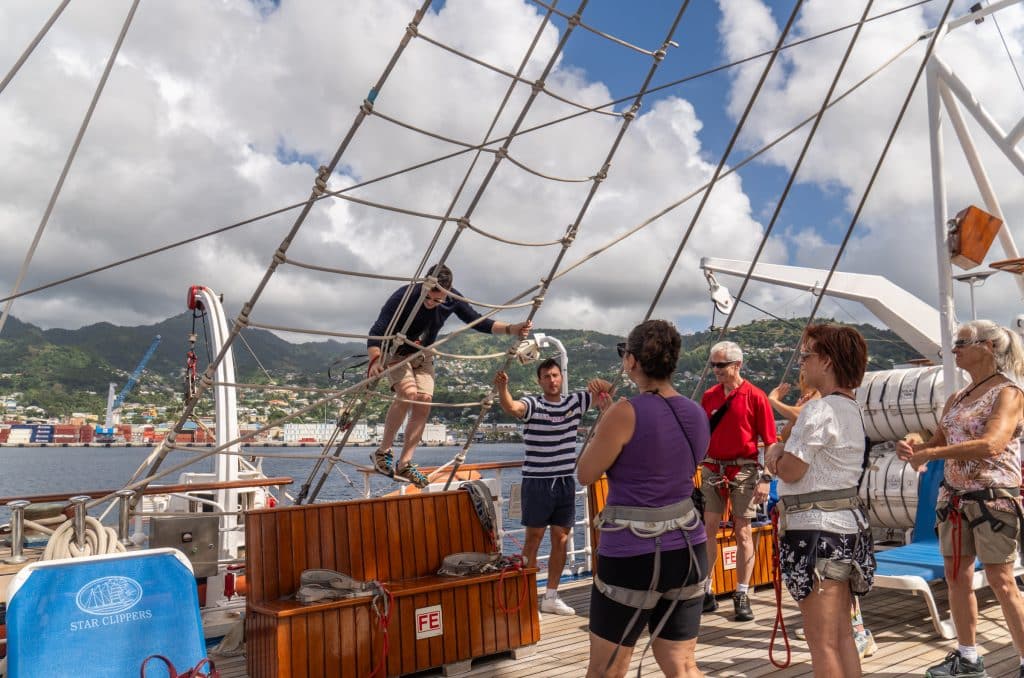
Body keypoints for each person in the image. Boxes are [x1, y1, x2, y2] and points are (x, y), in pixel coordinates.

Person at [577, 320, 710, 678]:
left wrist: (607, 418)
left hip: (632, 555)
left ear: (632, 361)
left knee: (607, 670)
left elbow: (586, 473)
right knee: (682, 665)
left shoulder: (624, 412)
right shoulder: (696, 413)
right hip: (688, 550)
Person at [896, 320, 1024, 678]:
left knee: (1002, 581)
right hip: (953, 500)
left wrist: (931, 455)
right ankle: (968, 658)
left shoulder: (1009, 393)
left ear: (988, 347)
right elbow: (937, 441)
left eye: (962, 343)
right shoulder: (957, 398)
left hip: (992, 501)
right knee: (957, 578)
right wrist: (913, 446)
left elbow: (993, 444)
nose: (954, 349)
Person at [765, 323, 874, 678]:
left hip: (815, 535)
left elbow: (791, 470)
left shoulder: (819, 410)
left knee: (822, 642)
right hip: (846, 529)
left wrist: (774, 453)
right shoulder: (852, 408)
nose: (802, 362)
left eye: (806, 355)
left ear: (826, 361)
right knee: (842, 636)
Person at [367, 263, 531, 487]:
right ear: (425, 285)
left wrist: (513, 328)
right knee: (408, 393)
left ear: (447, 291)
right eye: (428, 297)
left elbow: (478, 322)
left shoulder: (453, 298)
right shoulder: (404, 296)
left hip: (423, 354)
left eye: (437, 300)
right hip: (396, 352)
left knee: (424, 400)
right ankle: (382, 452)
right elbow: (376, 332)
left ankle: (405, 463)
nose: (431, 303)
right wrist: (375, 360)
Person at [493, 360, 612, 615]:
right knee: (533, 540)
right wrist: (503, 389)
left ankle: (551, 596)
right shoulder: (533, 404)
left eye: (555, 375)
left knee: (561, 539)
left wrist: (600, 384)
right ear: (540, 381)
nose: (552, 380)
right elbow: (512, 407)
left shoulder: (574, 402)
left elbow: (610, 390)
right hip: (537, 482)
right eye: (546, 376)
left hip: (564, 481)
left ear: (561, 377)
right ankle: (526, 600)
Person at [699, 340, 777, 621]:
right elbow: (701, 435)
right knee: (709, 528)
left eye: (721, 364)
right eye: (713, 364)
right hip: (712, 468)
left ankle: (742, 592)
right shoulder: (709, 396)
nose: (716, 370)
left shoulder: (756, 397)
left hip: (743, 470)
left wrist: (767, 478)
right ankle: (706, 590)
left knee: (742, 530)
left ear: (737, 365)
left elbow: (771, 442)